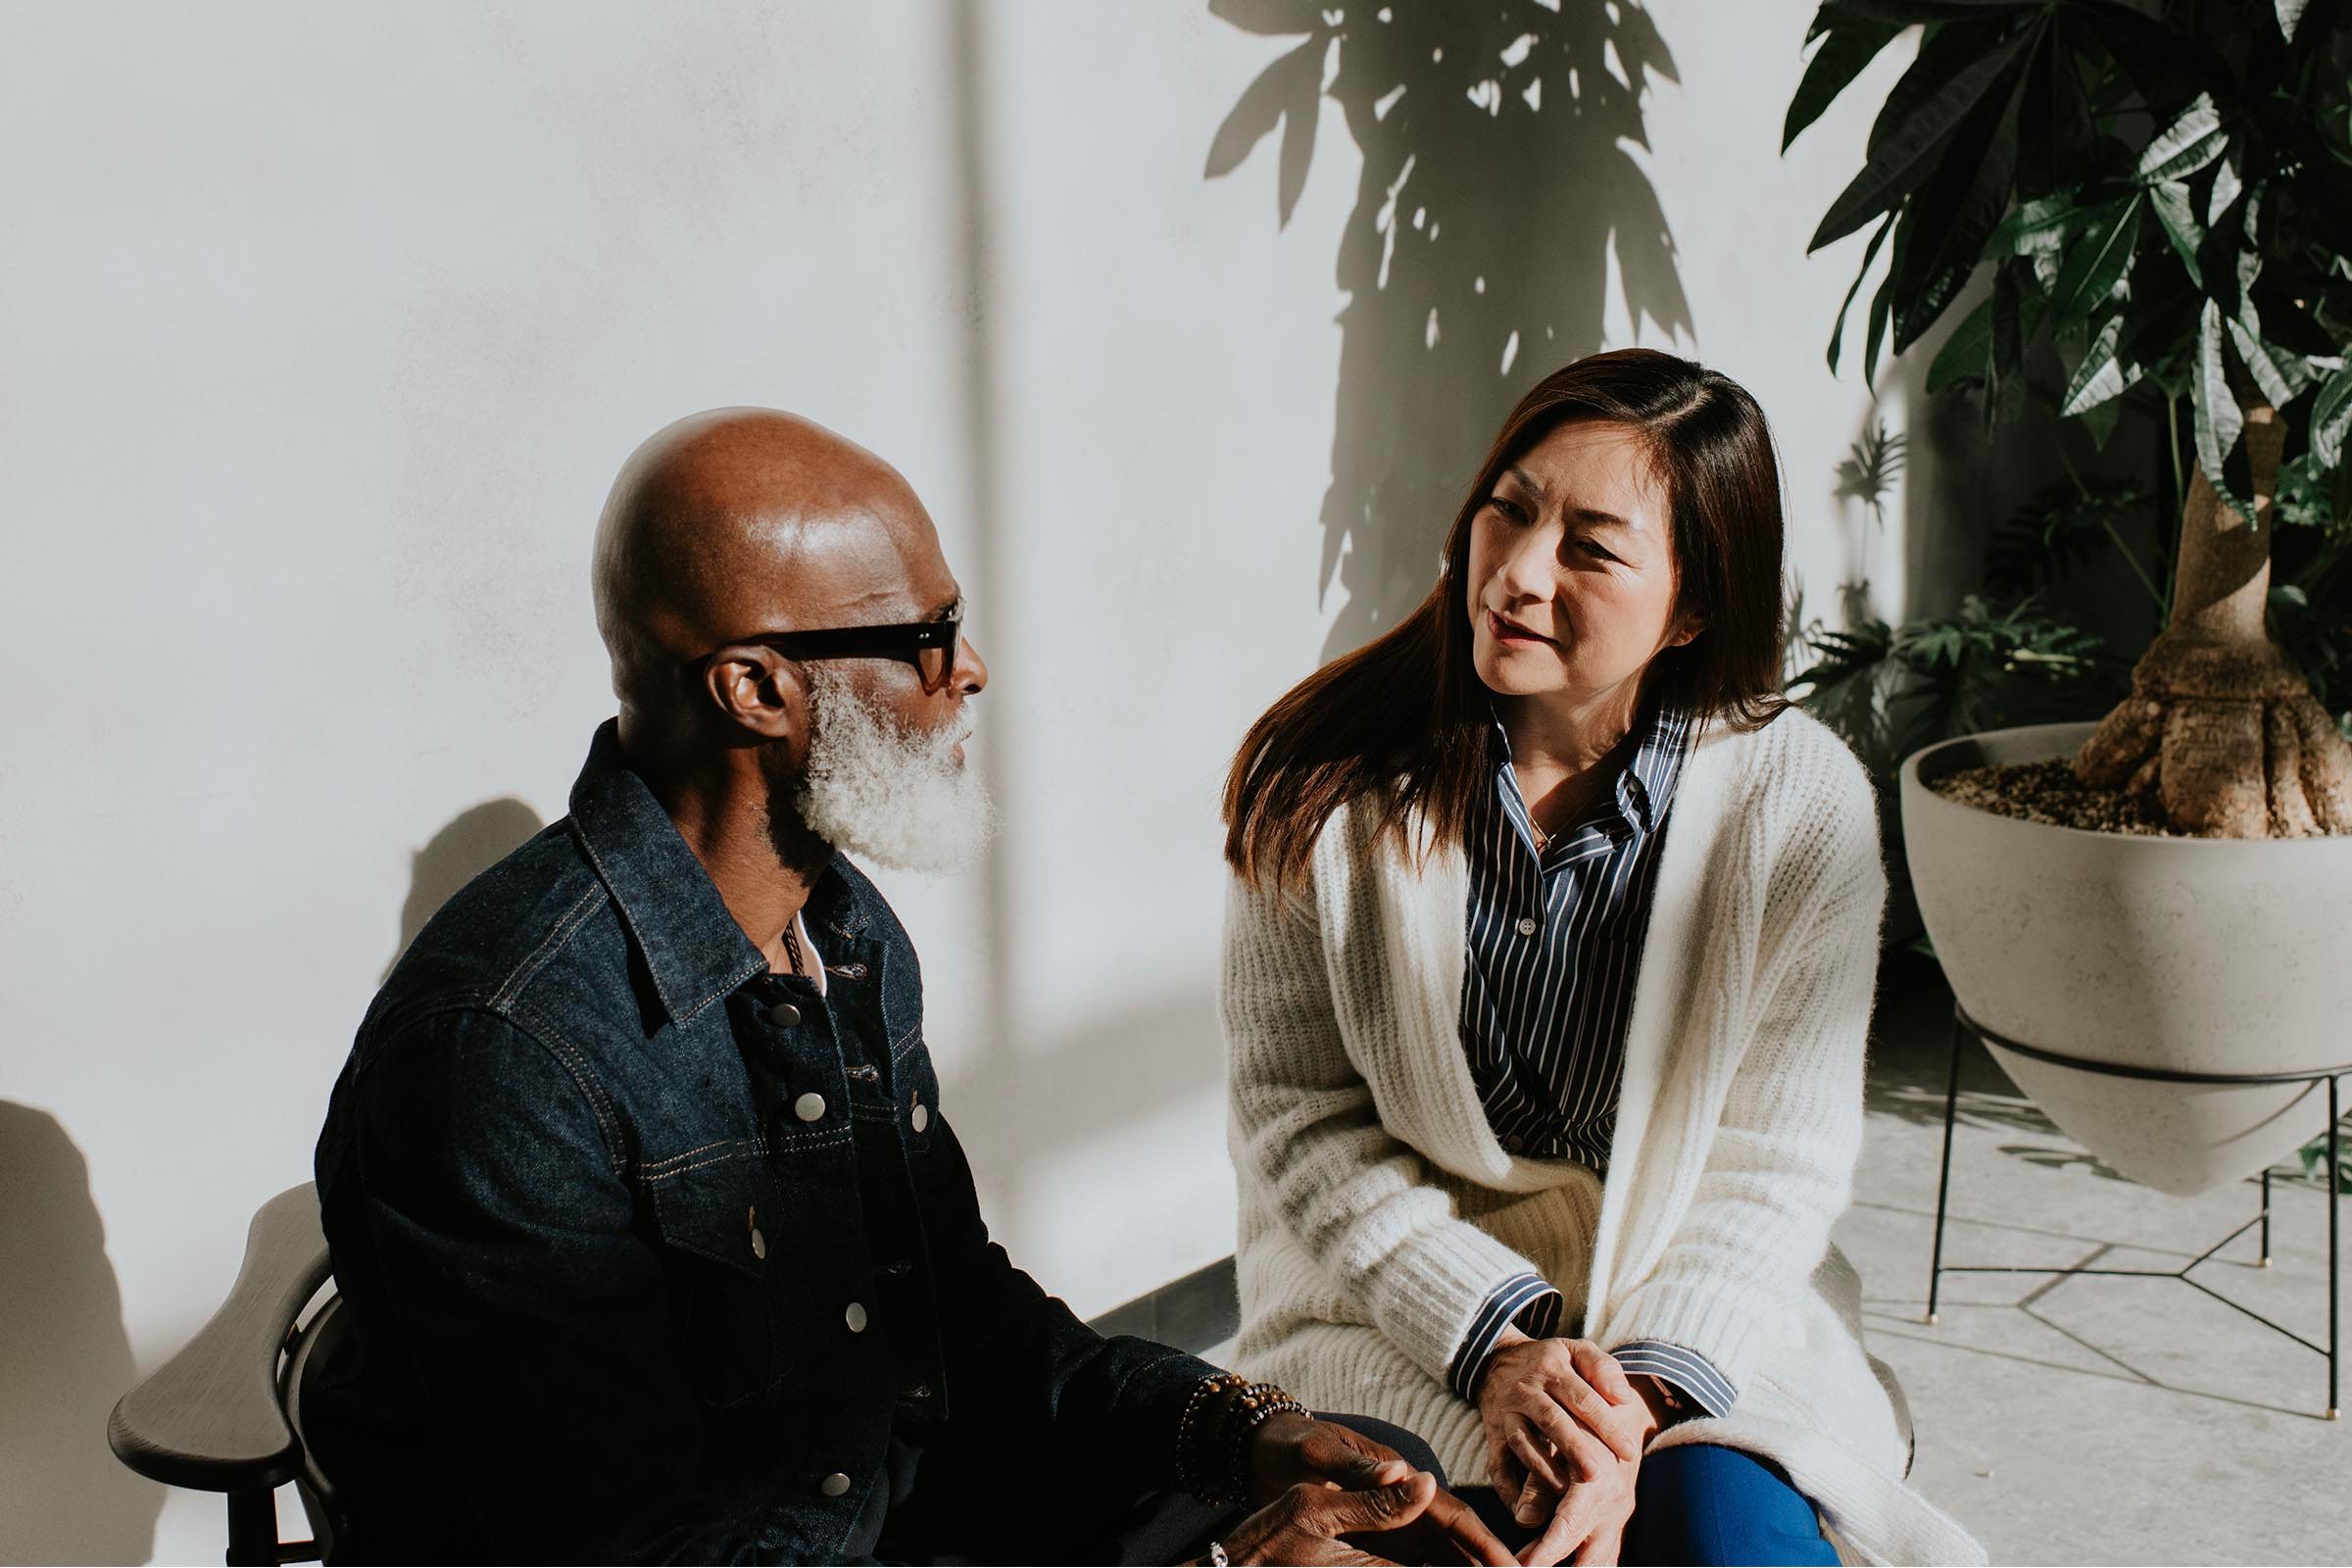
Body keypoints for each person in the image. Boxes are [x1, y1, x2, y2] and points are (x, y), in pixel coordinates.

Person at [309, 409, 1511, 1566]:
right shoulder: (501, 1055)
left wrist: (1245, 1430)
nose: (971, 671)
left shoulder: (838, 927)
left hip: (890, 1504)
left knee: (1370, 1493)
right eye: (927, 635)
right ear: (756, 689)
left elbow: (956, 1310)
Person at [1217, 350, 1984, 1566]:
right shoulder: (1328, 783)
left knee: (1734, 1538)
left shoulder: (1798, 808)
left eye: (1591, 546)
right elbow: (1298, 1115)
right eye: (1508, 510)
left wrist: (1629, 1405)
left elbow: (1771, 1167)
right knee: (1391, 1533)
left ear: (1690, 607)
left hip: (1691, 1299)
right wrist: (1496, 1344)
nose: (1516, 574)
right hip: (1395, 1305)